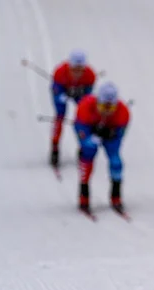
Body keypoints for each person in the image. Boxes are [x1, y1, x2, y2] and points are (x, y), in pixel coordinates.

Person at [74, 82, 131, 215]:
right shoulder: (85, 107)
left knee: (116, 162)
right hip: (89, 131)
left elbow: (120, 136)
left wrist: (111, 134)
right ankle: (84, 196)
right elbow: (81, 133)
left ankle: (116, 196)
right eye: (103, 106)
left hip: (111, 133)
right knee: (87, 157)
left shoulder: (123, 112)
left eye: (111, 107)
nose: (107, 111)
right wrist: (90, 138)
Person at [49, 49, 97, 166]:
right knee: (59, 117)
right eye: (74, 69)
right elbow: (56, 93)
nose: (77, 73)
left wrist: (79, 94)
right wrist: (64, 95)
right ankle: (55, 146)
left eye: (80, 70)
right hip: (63, 92)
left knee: (83, 120)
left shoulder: (90, 75)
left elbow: (88, 98)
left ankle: (83, 146)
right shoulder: (60, 72)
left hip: (80, 94)